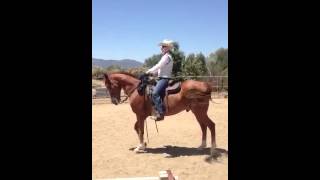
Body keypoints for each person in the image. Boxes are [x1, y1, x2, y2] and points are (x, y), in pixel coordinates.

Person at [146, 39, 174, 121]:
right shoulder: (165, 56)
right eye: (162, 46)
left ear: (168, 48)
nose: (161, 48)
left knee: (155, 93)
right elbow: (159, 69)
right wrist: (153, 74)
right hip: (161, 78)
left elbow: (158, 65)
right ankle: (154, 109)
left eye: (163, 46)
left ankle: (161, 113)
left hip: (164, 79)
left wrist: (148, 71)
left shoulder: (166, 57)